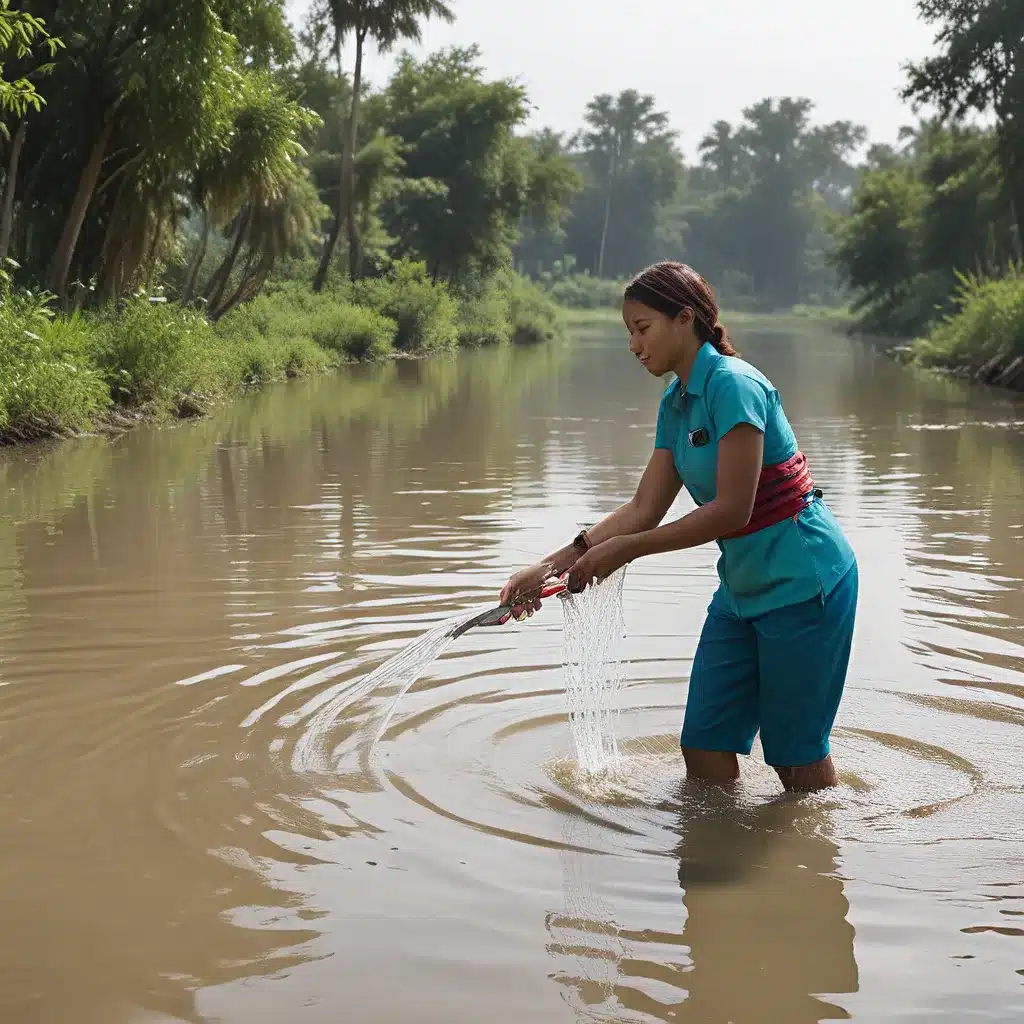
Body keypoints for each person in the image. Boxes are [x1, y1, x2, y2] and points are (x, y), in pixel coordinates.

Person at [499, 260, 858, 794]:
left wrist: (623, 551)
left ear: (684, 318)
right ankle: (718, 853)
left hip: (804, 583)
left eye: (642, 328)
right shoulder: (676, 401)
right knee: (704, 745)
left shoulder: (734, 386)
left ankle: (817, 851)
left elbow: (733, 509)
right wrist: (553, 565)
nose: (634, 344)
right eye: (629, 333)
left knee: (796, 760)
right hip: (741, 590)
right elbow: (644, 507)